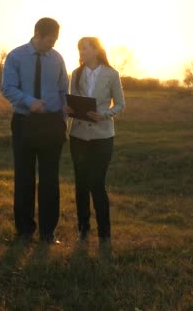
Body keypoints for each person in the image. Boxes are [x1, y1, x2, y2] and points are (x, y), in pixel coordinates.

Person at [1, 17, 69, 244]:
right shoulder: (16, 56)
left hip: (52, 125)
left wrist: (63, 118)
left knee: (50, 179)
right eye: (50, 40)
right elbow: (7, 88)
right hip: (24, 123)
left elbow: (63, 90)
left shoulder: (57, 58)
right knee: (24, 178)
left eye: (56, 40)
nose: (53, 44)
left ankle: (48, 232)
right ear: (37, 35)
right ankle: (24, 231)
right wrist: (29, 101)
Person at [64, 37, 125, 252]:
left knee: (97, 184)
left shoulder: (111, 74)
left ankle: (105, 233)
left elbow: (120, 104)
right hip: (78, 135)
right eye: (79, 48)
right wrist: (68, 109)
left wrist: (104, 115)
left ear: (97, 50)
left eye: (85, 48)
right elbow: (71, 101)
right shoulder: (76, 74)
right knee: (81, 183)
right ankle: (83, 229)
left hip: (102, 137)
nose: (81, 51)